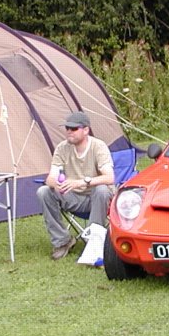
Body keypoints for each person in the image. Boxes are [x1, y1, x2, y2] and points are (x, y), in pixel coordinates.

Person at [36, 111, 114, 260]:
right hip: (73, 197)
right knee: (44, 191)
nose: (69, 132)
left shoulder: (98, 146)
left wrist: (82, 182)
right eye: (67, 128)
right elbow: (50, 178)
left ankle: (94, 242)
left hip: (97, 199)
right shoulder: (62, 148)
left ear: (86, 130)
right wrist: (56, 184)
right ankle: (62, 241)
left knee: (102, 190)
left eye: (74, 128)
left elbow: (109, 178)